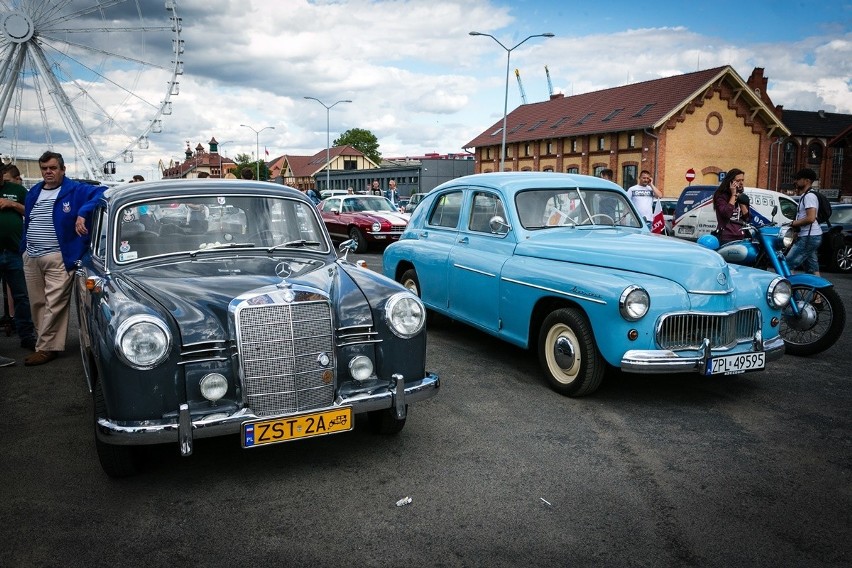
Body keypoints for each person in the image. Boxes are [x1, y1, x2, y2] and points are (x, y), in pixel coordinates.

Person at [21, 151, 105, 366]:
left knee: (54, 304)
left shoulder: (75, 190)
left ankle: (46, 347)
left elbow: (104, 192)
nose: (48, 172)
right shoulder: (34, 192)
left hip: (59, 256)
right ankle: (44, 342)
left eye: (52, 168)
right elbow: (29, 221)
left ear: (62, 169)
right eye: (44, 168)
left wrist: (83, 212)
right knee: (38, 303)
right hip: (32, 255)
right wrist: (24, 248)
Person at [0, 163, 36, 351]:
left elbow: (31, 211)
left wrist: (12, 204)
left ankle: (26, 335)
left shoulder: (16, 190)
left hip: (14, 251)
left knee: (21, 295)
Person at [786, 168, 823, 275]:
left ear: (807, 181)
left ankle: (789, 290)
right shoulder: (806, 195)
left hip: (809, 237)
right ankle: (821, 291)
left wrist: (793, 223)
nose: (795, 182)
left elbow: (811, 218)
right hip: (810, 236)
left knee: (787, 264)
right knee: (812, 269)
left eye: (798, 179)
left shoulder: (809, 196)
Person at [712, 168, 750, 244]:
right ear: (730, 182)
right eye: (738, 181)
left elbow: (747, 218)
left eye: (742, 180)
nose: (741, 183)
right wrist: (733, 195)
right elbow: (726, 213)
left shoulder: (742, 196)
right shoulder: (721, 196)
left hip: (741, 235)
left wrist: (740, 199)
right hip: (727, 236)